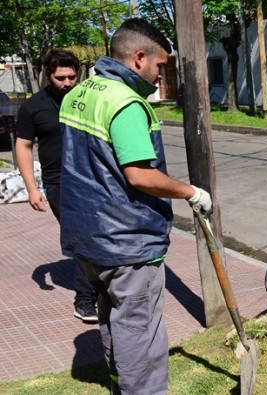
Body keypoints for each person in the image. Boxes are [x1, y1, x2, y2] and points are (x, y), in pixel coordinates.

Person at [58, 18, 212, 394]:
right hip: (126, 240)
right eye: (161, 66)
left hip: (88, 236)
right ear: (139, 58)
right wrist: (191, 192)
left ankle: (119, 383)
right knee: (140, 331)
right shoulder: (125, 102)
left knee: (112, 318)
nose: (161, 76)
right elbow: (140, 176)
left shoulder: (83, 91)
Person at [15, 49, 100, 323]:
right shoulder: (33, 107)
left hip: (92, 177)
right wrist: (31, 189)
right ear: (48, 76)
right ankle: (85, 300)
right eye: (60, 77)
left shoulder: (87, 99)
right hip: (59, 182)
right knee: (81, 235)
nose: (67, 83)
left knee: (100, 233)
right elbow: (24, 146)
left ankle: (103, 290)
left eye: (72, 77)